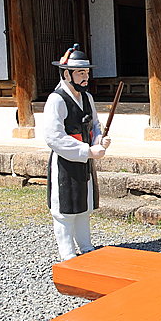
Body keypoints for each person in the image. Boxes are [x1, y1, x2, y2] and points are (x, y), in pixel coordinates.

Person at [43, 44, 109, 261]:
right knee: (65, 210)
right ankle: (67, 252)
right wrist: (87, 150)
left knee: (84, 206)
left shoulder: (87, 98)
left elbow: (95, 126)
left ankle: (86, 246)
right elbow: (54, 137)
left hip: (85, 160)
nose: (85, 77)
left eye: (87, 73)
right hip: (65, 163)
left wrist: (100, 140)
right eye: (80, 73)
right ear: (66, 74)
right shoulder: (57, 100)